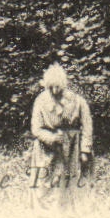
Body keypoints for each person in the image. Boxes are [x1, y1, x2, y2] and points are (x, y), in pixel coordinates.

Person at [29, 63, 94, 209]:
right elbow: (36, 128)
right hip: (48, 150)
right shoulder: (41, 101)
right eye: (50, 87)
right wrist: (51, 138)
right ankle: (47, 215)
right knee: (46, 184)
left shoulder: (77, 101)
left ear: (63, 85)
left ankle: (72, 213)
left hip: (73, 149)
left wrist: (85, 150)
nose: (54, 90)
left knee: (73, 183)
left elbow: (87, 126)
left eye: (57, 87)